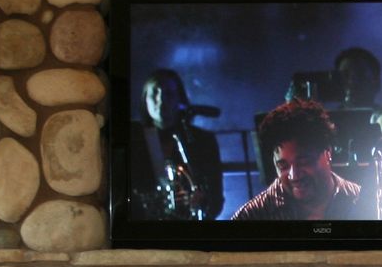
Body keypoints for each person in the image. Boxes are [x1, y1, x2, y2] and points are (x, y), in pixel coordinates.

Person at [230, 99, 365, 221]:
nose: (294, 176)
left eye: (303, 162)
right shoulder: (251, 217)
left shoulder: (364, 201)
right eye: (283, 166)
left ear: (328, 152)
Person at [130, 69, 222, 220]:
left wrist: (203, 202)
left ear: (180, 100)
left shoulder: (203, 141)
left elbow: (216, 199)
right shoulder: (133, 140)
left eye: (169, 94)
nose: (161, 100)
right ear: (144, 99)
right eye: (155, 93)